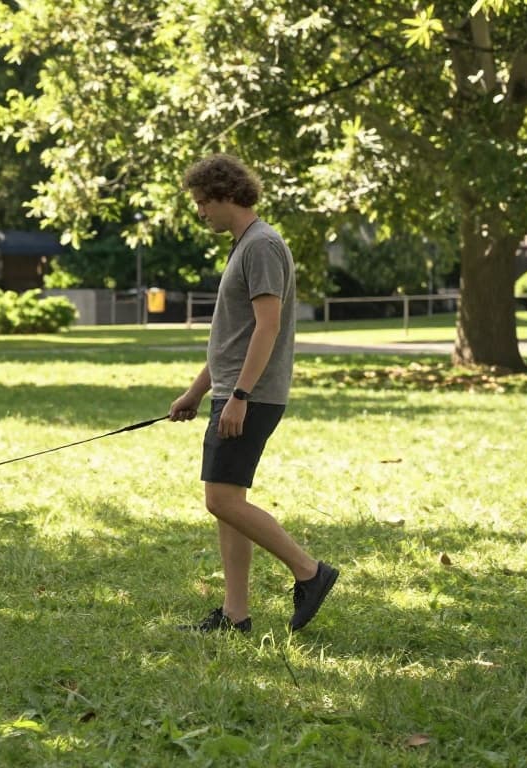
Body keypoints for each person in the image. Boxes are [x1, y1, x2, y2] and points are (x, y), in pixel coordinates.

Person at [169, 153, 338, 634]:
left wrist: (239, 395)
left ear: (227, 195)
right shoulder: (245, 245)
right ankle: (235, 614)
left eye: (204, 202)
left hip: (251, 395)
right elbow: (234, 338)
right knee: (229, 504)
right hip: (235, 392)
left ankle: (310, 572)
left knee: (221, 500)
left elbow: (268, 326)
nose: (200, 212)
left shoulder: (261, 245)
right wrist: (196, 392)